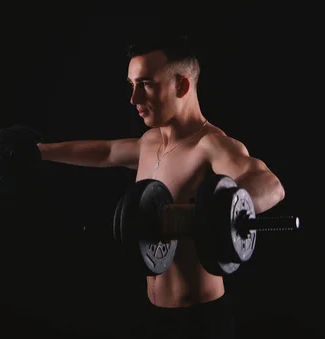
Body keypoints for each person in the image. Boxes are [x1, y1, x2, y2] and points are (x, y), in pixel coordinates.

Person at [37, 34, 285, 339]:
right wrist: (39, 152)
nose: (134, 100)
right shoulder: (150, 141)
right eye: (131, 86)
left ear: (181, 85)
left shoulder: (211, 146)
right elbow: (107, 151)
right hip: (152, 316)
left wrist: (203, 214)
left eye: (146, 84)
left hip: (200, 321)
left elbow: (270, 186)